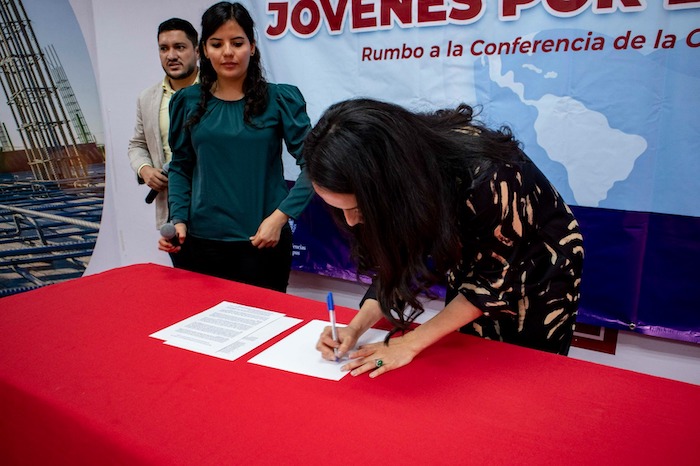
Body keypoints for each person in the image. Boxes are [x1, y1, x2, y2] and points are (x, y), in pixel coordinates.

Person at [306, 98, 584, 378]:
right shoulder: (407, 176)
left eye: (356, 208)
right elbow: (402, 258)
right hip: (477, 266)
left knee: (523, 377)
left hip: (537, 274)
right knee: (469, 367)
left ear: (387, 181)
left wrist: (410, 343)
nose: (351, 221)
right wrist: (355, 328)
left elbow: (490, 282)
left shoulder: (490, 176)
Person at [159, 2, 314, 293]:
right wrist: (178, 219)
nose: (227, 52)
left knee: (265, 332)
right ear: (204, 49)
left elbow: (315, 164)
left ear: (252, 47)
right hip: (198, 244)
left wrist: (280, 217)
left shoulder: (280, 100)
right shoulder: (186, 102)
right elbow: (181, 166)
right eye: (217, 44)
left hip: (262, 243)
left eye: (237, 42)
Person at [128, 18, 199, 232]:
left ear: (197, 51)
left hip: (217, 211)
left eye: (179, 47)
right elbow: (137, 144)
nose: (171, 55)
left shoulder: (219, 90)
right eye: (164, 48)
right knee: (179, 267)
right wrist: (145, 169)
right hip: (171, 213)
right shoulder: (147, 98)